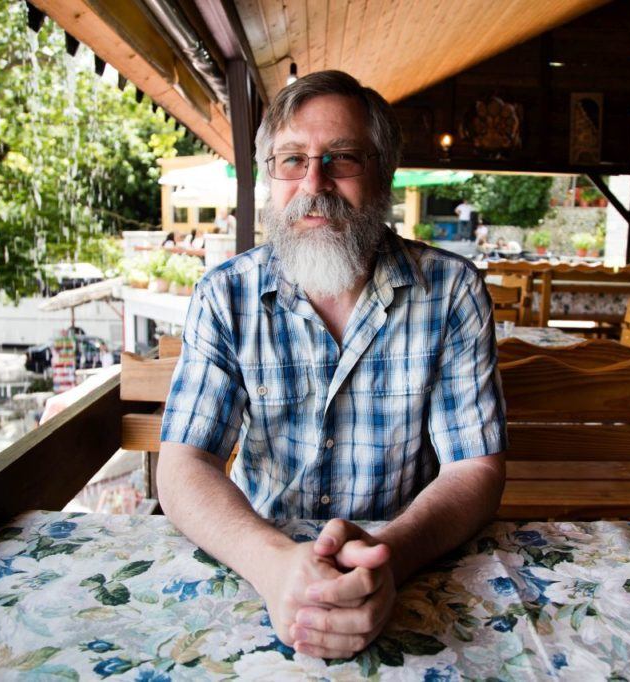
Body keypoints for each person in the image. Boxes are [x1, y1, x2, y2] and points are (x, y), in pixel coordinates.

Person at [157, 70, 506, 660]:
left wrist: (385, 556)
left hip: (407, 558)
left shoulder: (451, 291)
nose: (313, 182)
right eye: (291, 160)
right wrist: (274, 567)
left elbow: (475, 469)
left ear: (383, 175)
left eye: (341, 158)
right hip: (256, 559)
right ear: (271, 176)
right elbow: (184, 465)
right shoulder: (225, 296)